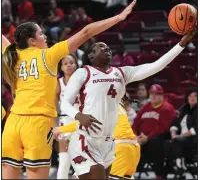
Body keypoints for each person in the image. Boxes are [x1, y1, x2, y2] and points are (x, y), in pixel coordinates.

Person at [2, 0, 137, 179]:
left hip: (13, 123)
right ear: (32, 41)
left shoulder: (12, 55)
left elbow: (2, 41)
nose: (45, 37)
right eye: (41, 34)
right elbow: (86, 32)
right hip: (37, 124)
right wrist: (118, 18)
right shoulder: (48, 55)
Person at [60, 26, 197, 179]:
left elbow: (156, 66)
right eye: (101, 47)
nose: (107, 49)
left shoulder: (121, 73)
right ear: (91, 56)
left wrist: (181, 45)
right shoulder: (83, 72)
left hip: (109, 142)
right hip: (86, 139)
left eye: (108, 47)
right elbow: (64, 103)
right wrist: (79, 115)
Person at [133, 84, 177, 179]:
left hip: (160, 137)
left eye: (157, 94)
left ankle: (160, 175)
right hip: (141, 137)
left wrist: (147, 137)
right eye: (152, 93)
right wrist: (135, 135)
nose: (154, 96)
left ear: (162, 96)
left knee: (155, 142)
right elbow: (136, 121)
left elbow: (163, 128)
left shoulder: (167, 108)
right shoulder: (146, 106)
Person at [56, 55, 79, 179]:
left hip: (79, 121)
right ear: (61, 67)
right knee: (64, 160)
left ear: (76, 64)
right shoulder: (58, 82)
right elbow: (54, 106)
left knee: (79, 159)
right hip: (64, 121)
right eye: (65, 63)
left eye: (71, 62)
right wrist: (54, 126)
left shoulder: (82, 80)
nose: (69, 65)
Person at [109, 95, 140, 180]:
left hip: (121, 146)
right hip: (134, 147)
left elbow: (80, 124)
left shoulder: (104, 106)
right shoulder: (121, 107)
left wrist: (67, 131)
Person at [169, 87, 197, 172]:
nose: (192, 98)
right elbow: (175, 122)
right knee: (166, 143)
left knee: (177, 141)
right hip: (181, 139)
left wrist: (179, 136)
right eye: (190, 96)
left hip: (193, 139)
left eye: (195, 96)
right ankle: (174, 165)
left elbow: (195, 129)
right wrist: (173, 133)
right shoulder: (184, 109)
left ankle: (179, 165)